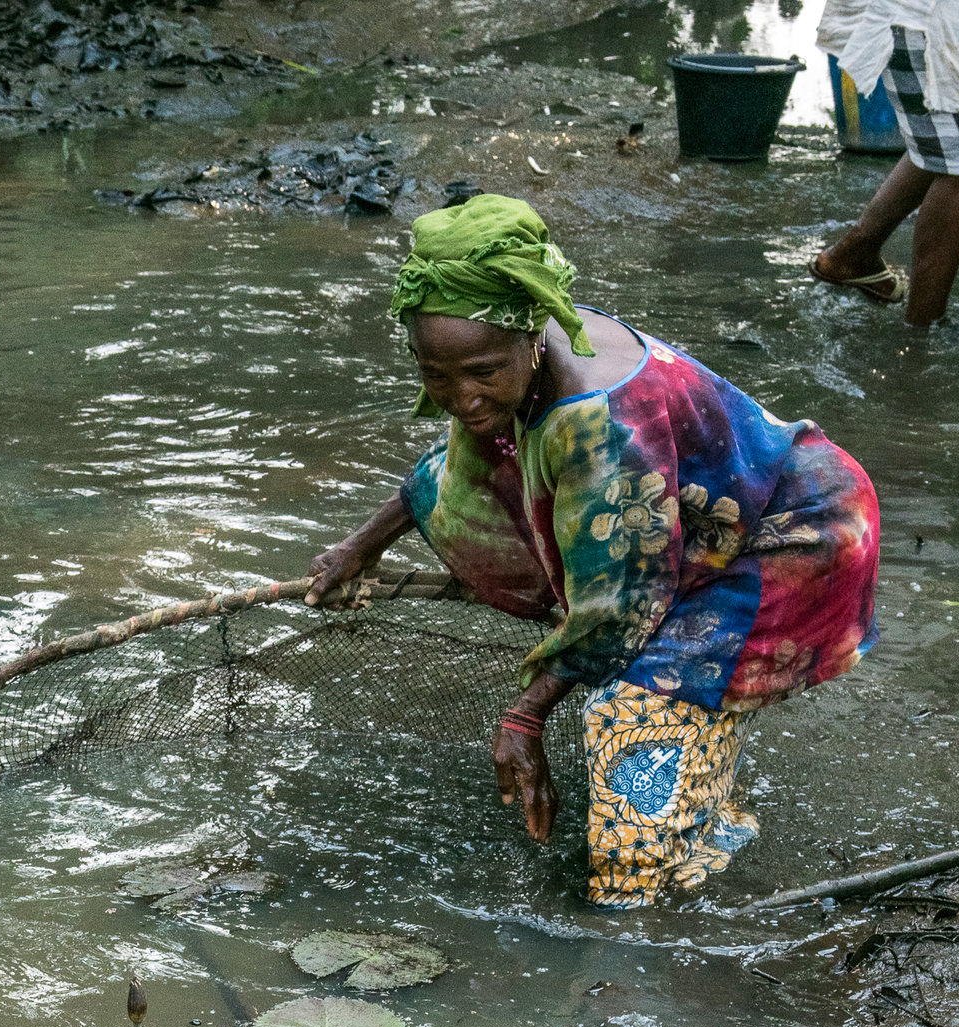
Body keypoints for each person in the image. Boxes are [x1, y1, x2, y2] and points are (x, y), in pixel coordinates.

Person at [307, 195, 881, 908]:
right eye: (436, 375)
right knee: (645, 677)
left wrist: (526, 713)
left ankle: (664, 875)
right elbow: (461, 473)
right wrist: (356, 549)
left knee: (628, 720)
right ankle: (700, 797)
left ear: (529, 338)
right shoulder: (522, 351)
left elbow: (620, 611)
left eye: (482, 372)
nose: (462, 397)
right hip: (702, 526)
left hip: (797, 538)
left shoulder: (598, 423)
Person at [810, 0, 959, 325]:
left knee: (953, 143)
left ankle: (852, 256)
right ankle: (920, 335)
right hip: (936, 20)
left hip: (946, 19)